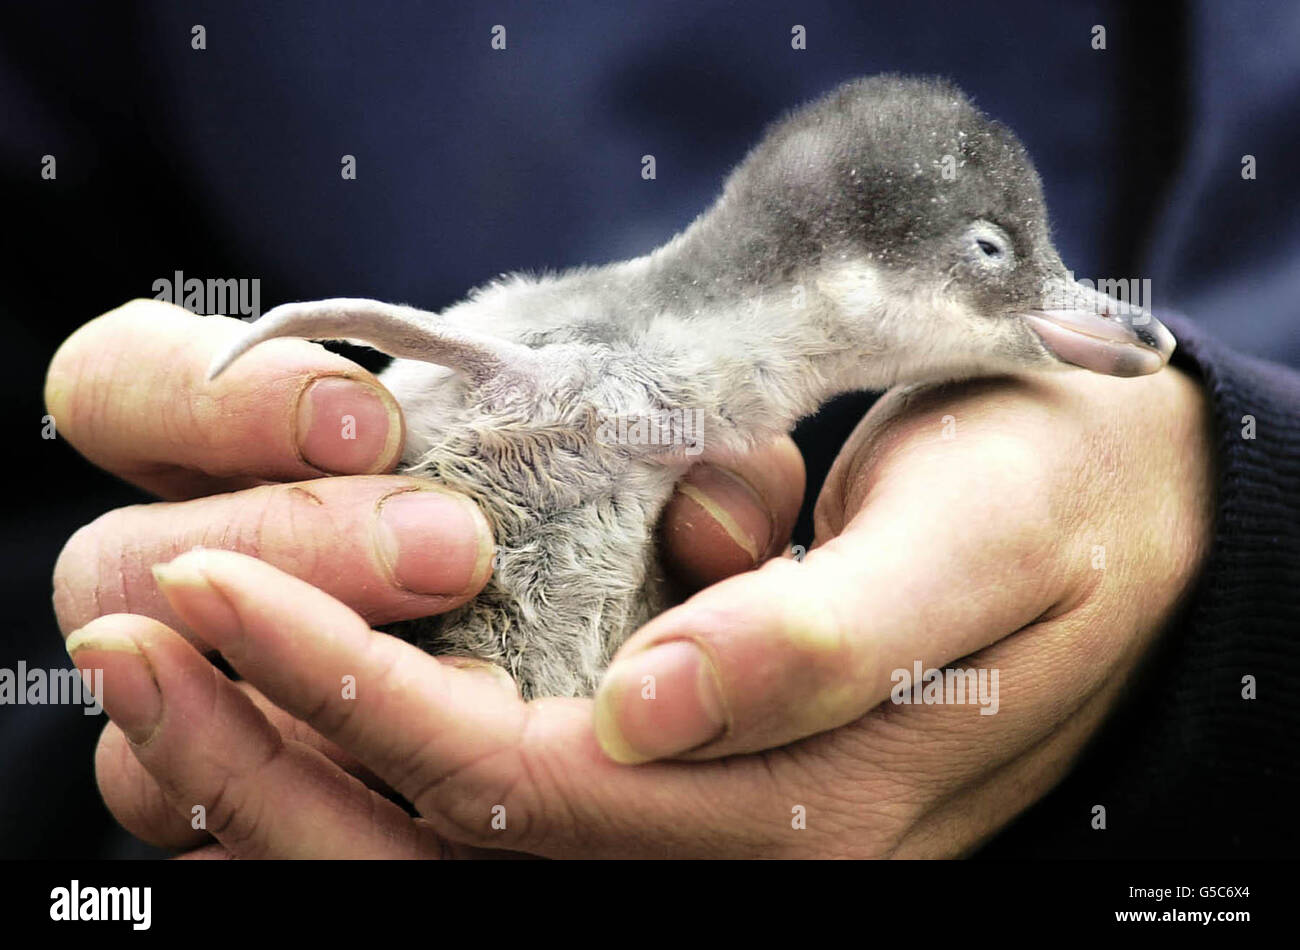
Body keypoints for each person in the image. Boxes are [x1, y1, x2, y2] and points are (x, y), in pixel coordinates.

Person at [15, 1, 1300, 857]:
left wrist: (1234, 562)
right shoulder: (606, 358)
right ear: (846, 258)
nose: (1073, 317)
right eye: (990, 256)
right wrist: (143, 766)